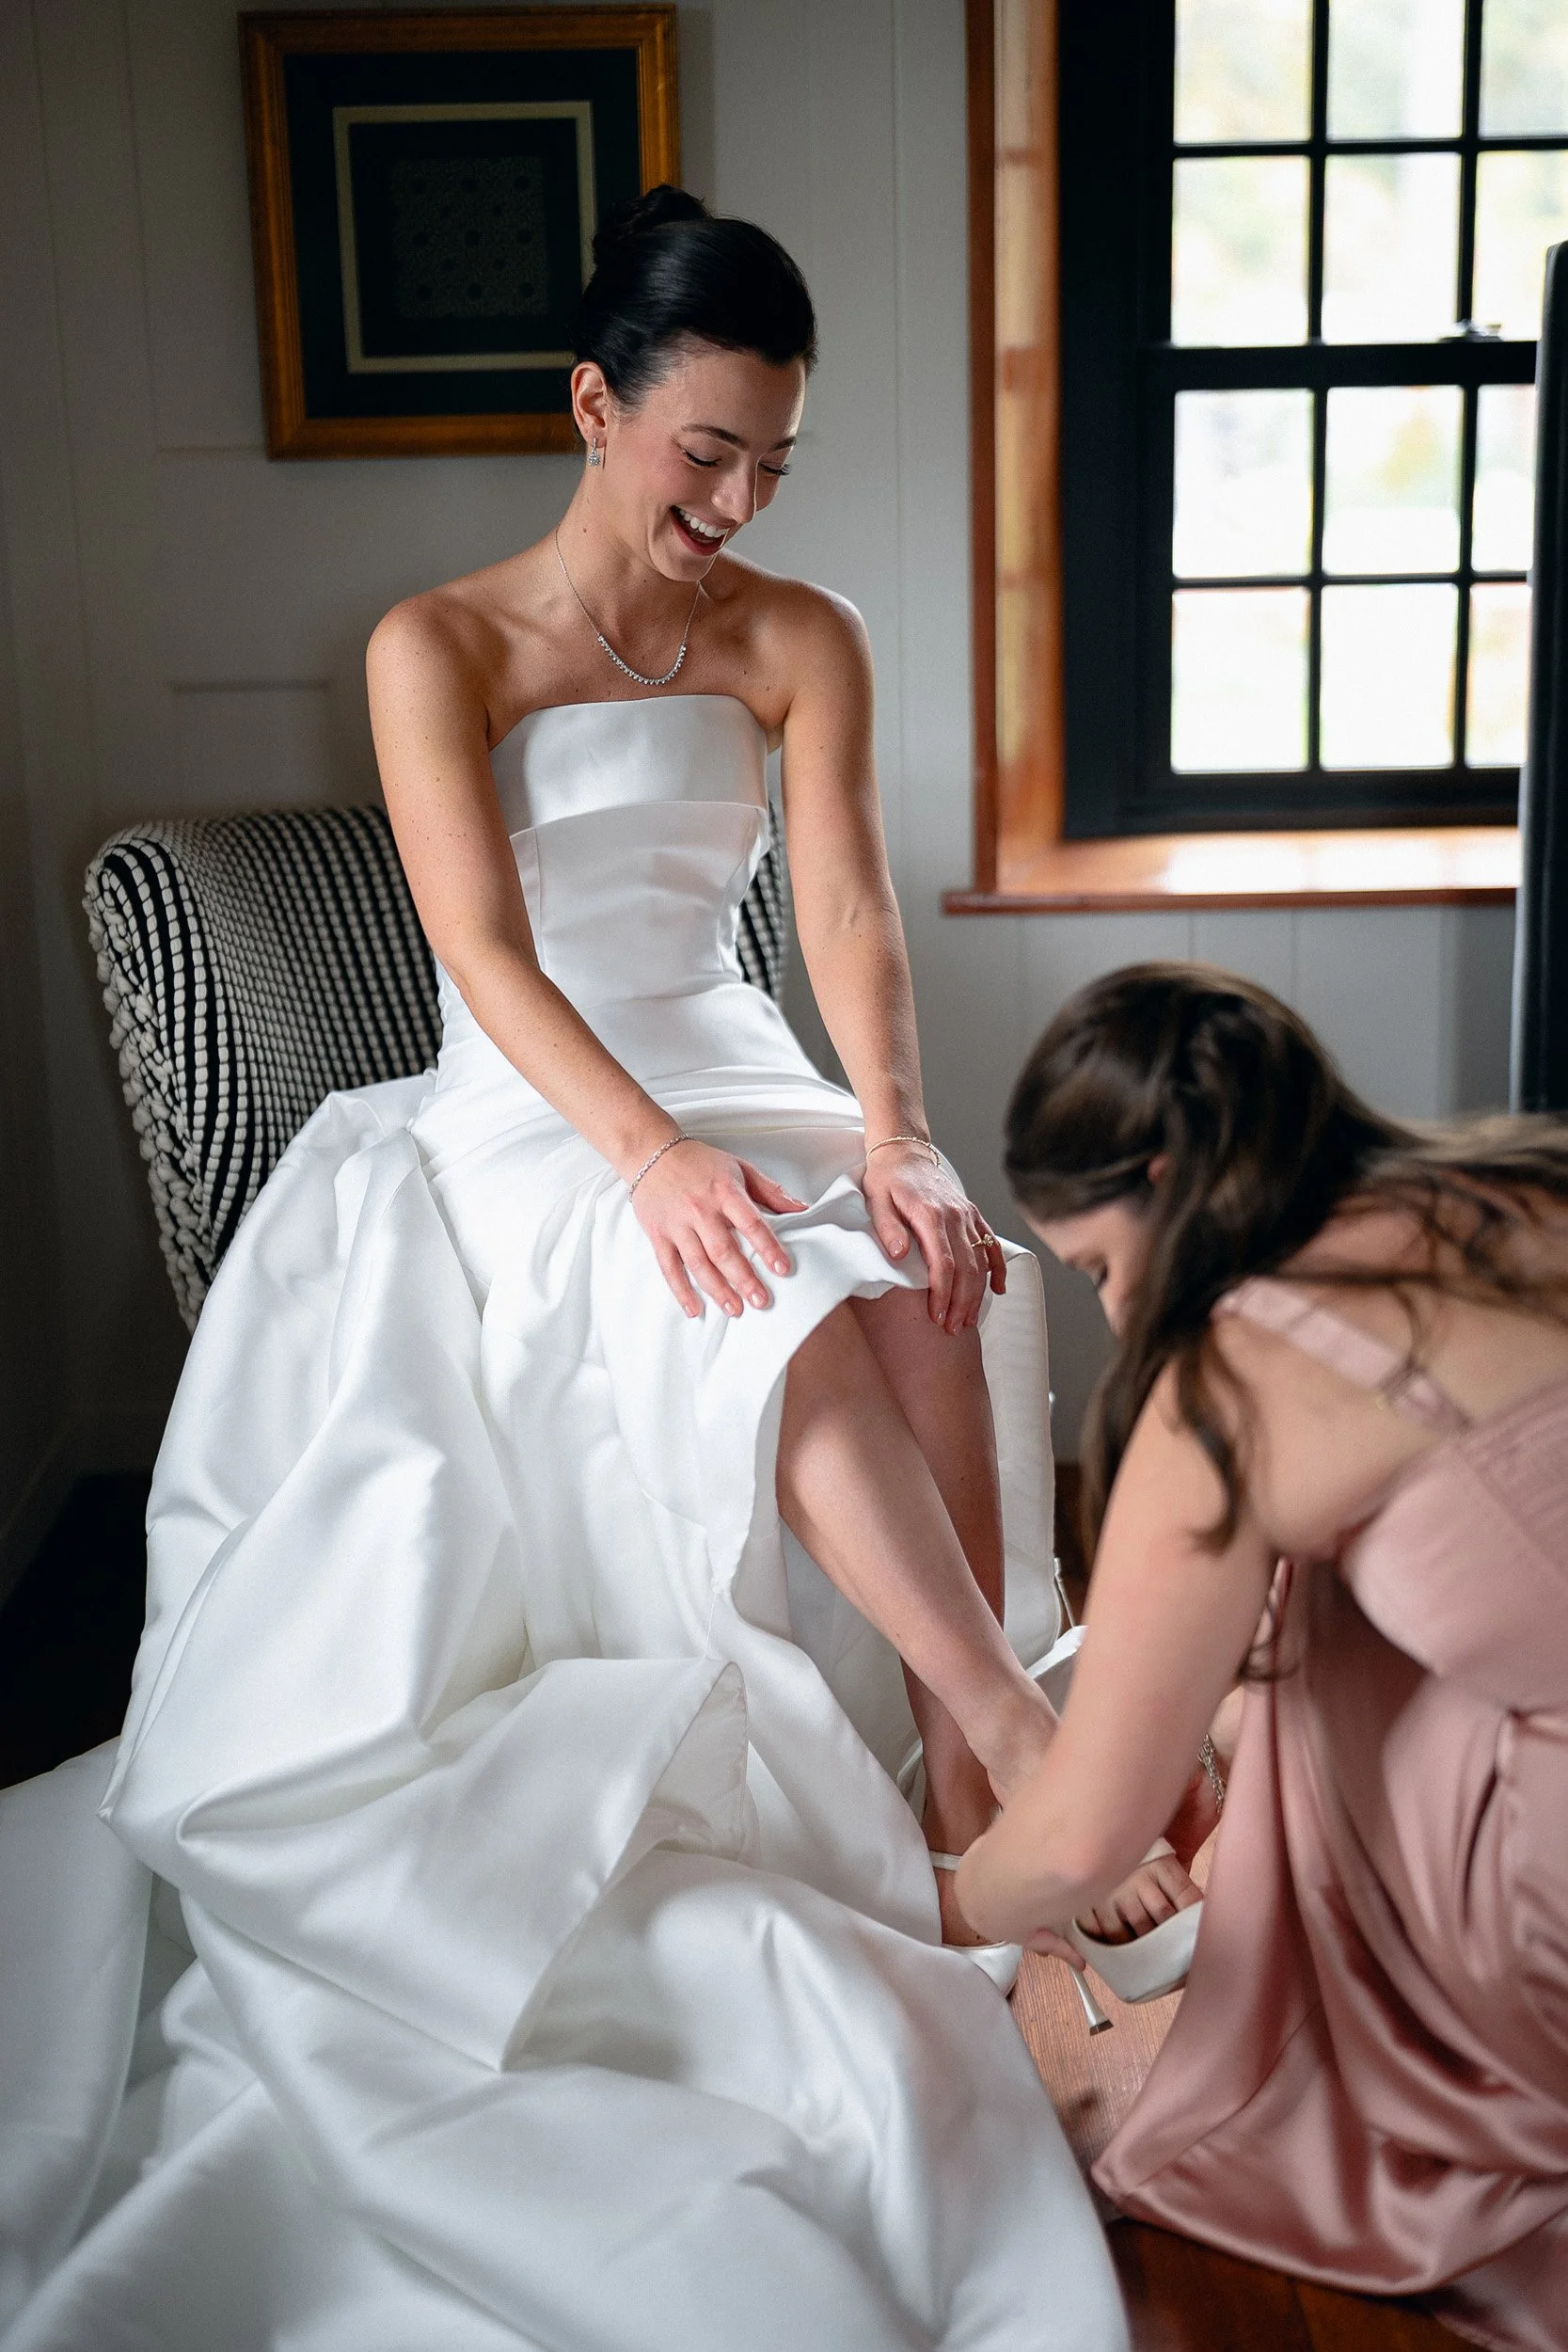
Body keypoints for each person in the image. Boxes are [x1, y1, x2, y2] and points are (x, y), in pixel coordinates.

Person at [0, 193, 1136, 2351]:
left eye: (771, 461)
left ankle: (980, 1816)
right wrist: (646, 1161)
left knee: (922, 1262)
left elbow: (845, 928)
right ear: (596, 406)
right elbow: (486, 956)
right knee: (752, 1284)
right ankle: (1009, 1713)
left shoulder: (800, 637)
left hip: (737, 1056)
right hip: (532, 1101)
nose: (732, 503)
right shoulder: (437, 643)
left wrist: (886, 1128)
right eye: (701, 451)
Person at [958, 962, 1568, 2352]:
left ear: (1168, 1171)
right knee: (1319, 1616)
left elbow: (1073, 1847)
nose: (1115, 1317)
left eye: (1103, 1268)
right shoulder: (1518, 1180)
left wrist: (968, 1896)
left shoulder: (1228, 1380)